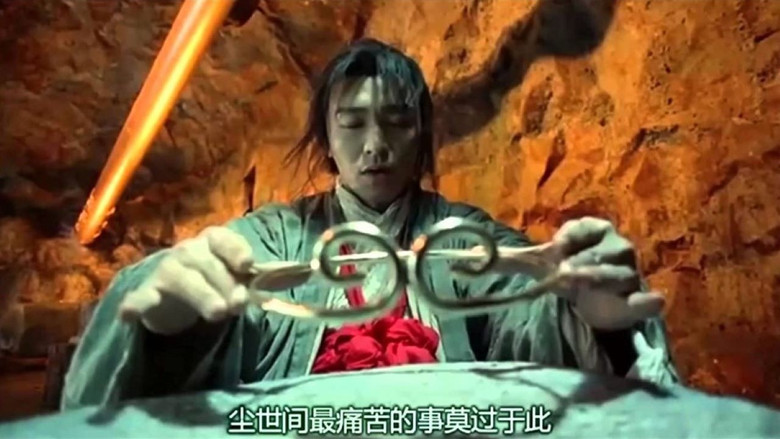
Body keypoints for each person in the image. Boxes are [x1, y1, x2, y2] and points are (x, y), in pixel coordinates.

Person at [61, 39, 678, 410]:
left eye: (397, 121)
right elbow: (210, 275)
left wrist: (592, 316)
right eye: (352, 124)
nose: (376, 145)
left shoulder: (462, 235)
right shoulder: (278, 236)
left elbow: (526, 301)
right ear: (327, 142)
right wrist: (173, 313)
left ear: (421, 134)